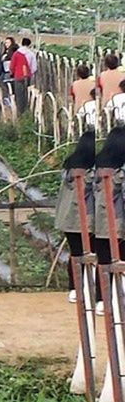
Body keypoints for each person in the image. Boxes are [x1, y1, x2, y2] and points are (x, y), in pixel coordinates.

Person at [53, 131, 95, 303]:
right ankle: (90, 289)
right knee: (93, 253)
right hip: (89, 220)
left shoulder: (69, 167)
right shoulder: (93, 171)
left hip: (69, 219)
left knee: (76, 254)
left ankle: (74, 289)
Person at [93, 126, 125, 316]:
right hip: (119, 224)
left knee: (103, 263)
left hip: (100, 223)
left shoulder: (97, 165)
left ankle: (101, 301)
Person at [9, 39, 34, 114]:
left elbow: (12, 66)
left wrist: (11, 73)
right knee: (27, 95)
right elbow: (34, 67)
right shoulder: (31, 54)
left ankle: (20, 112)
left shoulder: (16, 54)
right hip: (27, 77)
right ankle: (27, 111)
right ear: (29, 45)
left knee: (19, 95)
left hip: (18, 76)